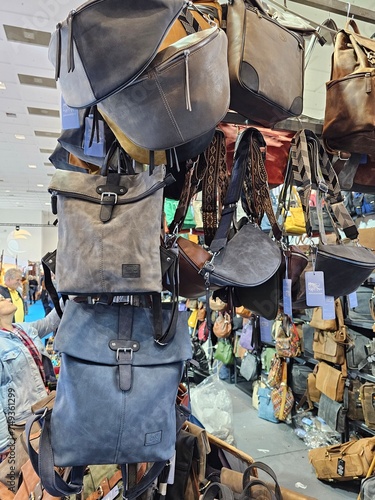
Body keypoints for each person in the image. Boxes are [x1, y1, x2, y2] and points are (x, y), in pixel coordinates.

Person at [0, 294, 62, 492]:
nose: (6, 298)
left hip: (44, 410)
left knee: (48, 477)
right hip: (21, 424)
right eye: (0, 299)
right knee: (24, 484)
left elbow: (52, 320)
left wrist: (71, 296)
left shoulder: (24, 329)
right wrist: (5, 445)